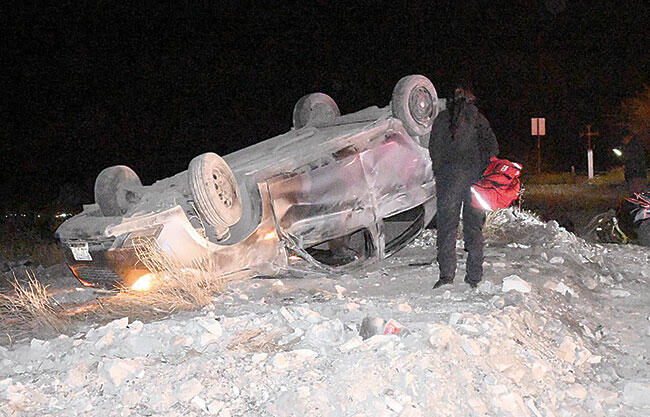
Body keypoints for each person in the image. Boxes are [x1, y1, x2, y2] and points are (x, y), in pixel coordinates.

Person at [428, 82, 499, 289]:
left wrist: (441, 172)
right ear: (471, 99)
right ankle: (474, 277)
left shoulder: (442, 119)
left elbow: (434, 150)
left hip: (448, 181)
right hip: (475, 181)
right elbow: (493, 148)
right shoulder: (479, 119)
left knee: (447, 228)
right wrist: (481, 167)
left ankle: (446, 275)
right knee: (474, 228)